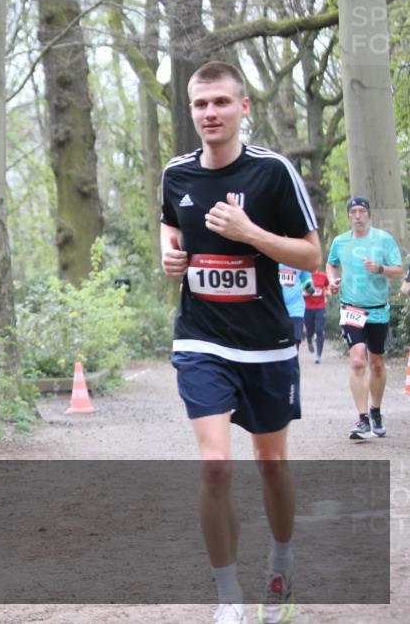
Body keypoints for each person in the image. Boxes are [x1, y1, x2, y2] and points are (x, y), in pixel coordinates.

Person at [160, 61, 321, 624]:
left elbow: (312, 256)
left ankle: (281, 565)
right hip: (201, 340)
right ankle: (228, 595)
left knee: (271, 463)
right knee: (214, 466)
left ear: (243, 107)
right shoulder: (176, 173)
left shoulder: (273, 173)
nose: (210, 114)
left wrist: (251, 234)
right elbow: (169, 224)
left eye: (221, 103)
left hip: (267, 343)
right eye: (201, 105)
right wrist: (170, 253)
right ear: (191, 109)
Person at [325, 197, 404, 440]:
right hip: (352, 308)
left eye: (362, 211)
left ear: (368, 214)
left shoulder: (383, 239)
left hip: (378, 308)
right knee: (358, 361)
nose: (358, 215)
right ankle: (362, 419)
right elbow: (331, 264)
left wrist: (380, 269)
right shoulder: (340, 242)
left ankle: (376, 411)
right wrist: (332, 281)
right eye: (354, 211)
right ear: (349, 216)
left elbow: (399, 270)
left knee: (377, 362)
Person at [278, 263, 312, 347]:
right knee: (278, 341)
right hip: (276, 308)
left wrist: (309, 286)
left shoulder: (298, 259)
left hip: (295, 309)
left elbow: (305, 277)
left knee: (295, 340)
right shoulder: (272, 257)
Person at [302, 269, 329, 363]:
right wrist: (306, 293)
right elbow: (299, 289)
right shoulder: (305, 276)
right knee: (310, 331)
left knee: (319, 330)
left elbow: (328, 286)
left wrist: (327, 294)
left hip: (320, 307)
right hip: (308, 308)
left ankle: (318, 355)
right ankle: (309, 339)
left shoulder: (323, 276)